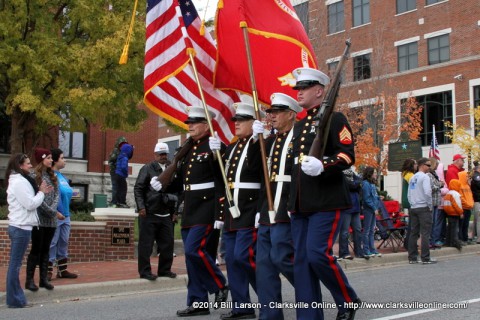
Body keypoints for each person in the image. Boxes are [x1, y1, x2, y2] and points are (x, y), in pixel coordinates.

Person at [288, 67, 360, 320]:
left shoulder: (335, 118)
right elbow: (294, 167)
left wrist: (324, 165)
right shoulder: (300, 125)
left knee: (318, 254)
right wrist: (289, 201)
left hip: (325, 200)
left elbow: (347, 155)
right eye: (298, 88)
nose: (298, 93)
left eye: (304, 88)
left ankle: (347, 300)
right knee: (302, 260)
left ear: (319, 91)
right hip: (301, 203)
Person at [150, 106, 228, 317]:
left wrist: (218, 152)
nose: (190, 125)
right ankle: (198, 302)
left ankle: (220, 284)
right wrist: (162, 184)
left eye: (194, 122)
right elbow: (182, 182)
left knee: (194, 250)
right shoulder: (188, 149)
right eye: (189, 122)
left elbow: (223, 177)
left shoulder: (214, 145)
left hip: (207, 206)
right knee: (192, 258)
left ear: (206, 125)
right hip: (191, 207)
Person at [210, 102, 263, 320]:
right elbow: (222, 179)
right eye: (236, 120)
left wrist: (259, 140)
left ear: (253, 122)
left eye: (241, 120)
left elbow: (259, 173)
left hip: (250, 208)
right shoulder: (232, 148)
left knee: (244, 256)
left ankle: (269, 297)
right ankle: (242, 307)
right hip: (232, 210)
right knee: (231, 259)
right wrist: (215, 155)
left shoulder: (260, 144)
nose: (237, 124)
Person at [254, 93, 300, 320]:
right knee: (263, 264)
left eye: (276, 112)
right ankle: (270, 314)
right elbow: (258, 174)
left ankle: (307, 291)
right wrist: (256, 141)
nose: (271, 116)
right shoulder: (270, 141)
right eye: (270, 113)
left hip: (287, 207)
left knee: (282, 257)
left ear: (291, 114)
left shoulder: (300, 137)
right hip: (267, 208)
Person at [5, 153, 52, 308]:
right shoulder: (19, 182)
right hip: (20, 227)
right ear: (20, 165)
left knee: (15, 264)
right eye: (27, 163)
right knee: (15, 265)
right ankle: (15, 299)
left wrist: (40, 191)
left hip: (21, 226)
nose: (30, 165)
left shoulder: (19, 181)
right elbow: (30, 204)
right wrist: (41, 193)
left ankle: (16, 298)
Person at [134, 142, 176, 281]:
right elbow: (138, 188)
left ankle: (164, 270)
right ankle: (145, 272)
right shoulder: (147, 168)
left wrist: (175, 211)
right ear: (155, 154)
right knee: (146, 245)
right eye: (160, 154)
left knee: (167, 244)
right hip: (149, 213)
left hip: (166, 214)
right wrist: (141, 207)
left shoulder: (172, 168)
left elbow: (177, 190)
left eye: (165, 154)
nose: (163, 156)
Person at [26, 148, 63, 291]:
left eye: (51, 157)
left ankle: (43, 279)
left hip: (51, 221)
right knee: (36, 249)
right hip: (39, 220)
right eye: (48, 157)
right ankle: (29, 280)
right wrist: (51, 211)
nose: (50, 160)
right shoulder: (34, 175)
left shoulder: (53, 175)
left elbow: (56, 195)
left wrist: (53, 211)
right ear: (41, 159)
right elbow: (37, 197)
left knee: (46, 250)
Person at [48, 148, 78, 280]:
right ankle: (48, 270)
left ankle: (62, 270)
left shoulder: (62, 176)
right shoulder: (50, 176)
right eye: (62, 158)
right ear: (55, 160)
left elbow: (67, 193)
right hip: (56, 215)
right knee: (52, 242)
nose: (64, 160)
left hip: (66, 216)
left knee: (63, 242)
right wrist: (56, 212)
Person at [407, 157, 435, 264]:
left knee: (413, 233)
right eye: (428, 165)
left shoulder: (413, 178)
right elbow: (427, 192)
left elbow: (409, 194)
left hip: (414, 207)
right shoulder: (425, 177)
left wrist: (412, 203)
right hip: (423, 207)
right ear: (422, 165)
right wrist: (430, 205)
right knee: (425, 233)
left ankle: (412, 257)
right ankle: (425, 257)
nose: (429, 167)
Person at [339, 168, 365, 260]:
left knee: (358, 230)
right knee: (344, 232)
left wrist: (355, 184)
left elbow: (358, 182)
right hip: (346, 208)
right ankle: (344, 253)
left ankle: (359, 252)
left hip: (356, 207)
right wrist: (355, 184)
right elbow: (350, 185)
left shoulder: (353, 174)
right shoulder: (340, 174)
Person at [361, 167, 382, 258]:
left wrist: (378, 198)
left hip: (373, 209)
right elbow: (367, 199)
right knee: (367, 230)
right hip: (369, 210)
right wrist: (374, 208)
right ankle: (366, 250)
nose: (376, 174)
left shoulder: (372, 184)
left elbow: (372, 196)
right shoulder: (366, 184)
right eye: (374, 172)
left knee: (372, 230)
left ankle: (372, 249)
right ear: (369, 174)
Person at [426, 157, 445, 249]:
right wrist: (440, 185)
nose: (437, 166)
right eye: (436, 164)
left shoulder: (434, 174)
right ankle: (429, 242)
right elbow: (431, 187)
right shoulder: (428, 175)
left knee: (435, 223)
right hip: (431, 202)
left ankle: (433, 241)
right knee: (431, 223)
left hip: (437, 202)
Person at [443, 179, 463, 250]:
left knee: (449, 228)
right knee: (454, 228)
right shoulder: (456, 194)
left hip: (449, 213)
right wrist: (461, 213)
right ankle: (454, 242)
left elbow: (445, 204)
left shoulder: (448, 193)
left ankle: (448, 241)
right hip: (455, 213)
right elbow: (457, 204)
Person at [401, 159, 417, 250]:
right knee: (413, 225)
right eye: (415, 164)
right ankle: (409, 244)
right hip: (411, 201)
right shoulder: (410, 175)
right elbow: (414, 188)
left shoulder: (405, 174)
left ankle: (409, 243)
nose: (416, 165)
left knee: (412, 224)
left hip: (408, 200)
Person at [108, 136, 128, 206]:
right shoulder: (115, 151)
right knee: (116, 186)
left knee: (123, 187)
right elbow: (110, 161)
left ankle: (122, 202)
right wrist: (115, 169)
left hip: (122, 172)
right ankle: (114, 202)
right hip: (115, 172)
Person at [114, 142, 134, 208]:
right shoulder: (125, 158)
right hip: (121, 175)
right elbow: (123, 167)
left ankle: (117, 202)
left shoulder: (120, 156)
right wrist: (126, 174)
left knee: (118, 189)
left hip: (117, 174)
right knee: (123, 189)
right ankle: (122, 202)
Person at [457, 170, 474, 244]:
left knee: (466, 224)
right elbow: (461, 197)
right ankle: (461, 239)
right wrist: (468, 204)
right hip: (463, 208)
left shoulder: (468, 186)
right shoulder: (459, 185)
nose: (467, 178)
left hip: (468, 208)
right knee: (461, 225)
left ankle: (465, 239)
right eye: (466, 176)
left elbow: (471, 196)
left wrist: (471, 204)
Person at [470, 163, 480, 243]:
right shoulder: (477, 176)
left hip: (476, 199)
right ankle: (479, 237)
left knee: (476, 219)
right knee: (478, 219)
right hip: (478, 200)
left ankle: (472, 235)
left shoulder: (475, 176)